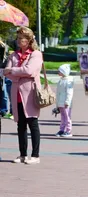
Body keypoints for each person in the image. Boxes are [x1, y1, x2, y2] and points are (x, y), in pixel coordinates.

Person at [4, 26, 43, 164]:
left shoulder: (36, 54)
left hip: (30, 94)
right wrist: (18, 73)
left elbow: (30, 70)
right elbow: (7, 74)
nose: (19, 41)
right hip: (17, 94)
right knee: (20, 126)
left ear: (29, 40)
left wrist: (14, 71)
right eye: (18, 38)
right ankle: (22, 154)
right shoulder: (13, 55)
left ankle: (35, 155)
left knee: (33, 124)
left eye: (22, 38)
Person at [54, 64, 74, 137]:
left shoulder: (68, 81)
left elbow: (69, 93)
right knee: (62, 117)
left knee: (67, 117)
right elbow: (58, 92)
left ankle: (68, 130)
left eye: (59, 71)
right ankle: (62, 129)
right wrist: (57, 103)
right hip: (60, 102)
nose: (58, 72)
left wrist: (67, 102)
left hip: (65, 103)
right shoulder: (61, 80)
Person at [0, 37, 13, 119]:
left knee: (3, 90)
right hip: (3, 68)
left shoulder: (2, 46)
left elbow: (4, 54)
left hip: (2, 69)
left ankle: (4, 110)